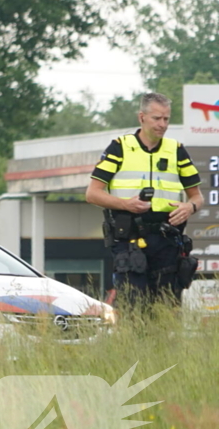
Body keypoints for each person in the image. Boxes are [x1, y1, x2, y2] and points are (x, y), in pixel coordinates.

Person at [85, 92, 202, 312]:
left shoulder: (176, 150)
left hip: (167, 239)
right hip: (128, 238)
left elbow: (197, 196)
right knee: (133, 307)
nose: (162, 124)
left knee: (166, 309)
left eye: (166, 119)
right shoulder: (119, 147)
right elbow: (92, 194)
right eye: (157, 118)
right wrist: (125, 204)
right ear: (142, 117)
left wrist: (190, 206)